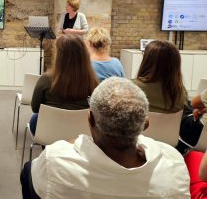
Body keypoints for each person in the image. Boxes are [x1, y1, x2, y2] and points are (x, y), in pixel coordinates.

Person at [21, 77, 190, 199]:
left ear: (90, 119)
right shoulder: (173, 163)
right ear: (145, 125)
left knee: (28, 170)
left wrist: (76, 143)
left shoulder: (55, 160)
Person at [131, 40, 193, 151]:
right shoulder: (180, 92)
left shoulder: (131, 88)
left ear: (146, 61)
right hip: (169, 148)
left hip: (135, 145)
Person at [29, 35, 98, 134]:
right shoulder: (93, 82)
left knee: (35, 118)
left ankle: (49, 147)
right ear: (84, 56)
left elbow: (35, 108)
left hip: (49, 132)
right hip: (80, 133)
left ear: (59, 57)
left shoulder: (46, 79)